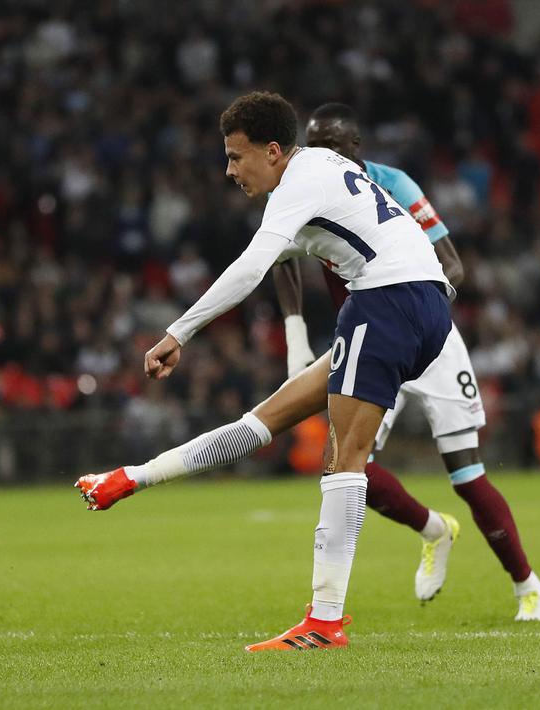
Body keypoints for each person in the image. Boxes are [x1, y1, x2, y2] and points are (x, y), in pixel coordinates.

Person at [76, 91, 454, 652]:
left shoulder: (298, 184)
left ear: (274, 151)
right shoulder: (322, 170)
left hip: (389, 300)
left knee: (342, 461)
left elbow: (250, 267)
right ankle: (132, 477)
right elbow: (277, 265)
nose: (229, 170)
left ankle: (325, 624)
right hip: (423, 305)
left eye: (236, 156)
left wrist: (177, 332)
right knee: (267, 418)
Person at [271, 102, 540, 620]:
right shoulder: (306, 190)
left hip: (426, 335)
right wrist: (294, 334)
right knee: (345, 467)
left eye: (331, 145)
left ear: (355, 147)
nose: (320, 156)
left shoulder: (392, 183)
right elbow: (280, 259)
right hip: (368, 342)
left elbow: (453, 266)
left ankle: (527, 585)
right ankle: (433, 530)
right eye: (313, 145)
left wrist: (412, 318)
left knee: (466, 474)